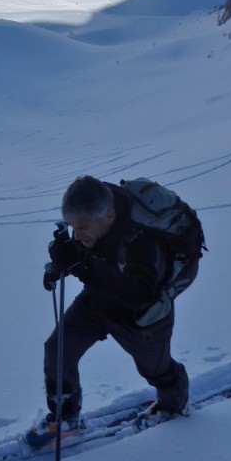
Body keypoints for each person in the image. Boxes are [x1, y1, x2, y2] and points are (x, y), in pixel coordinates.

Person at [36, 175, 194, 437]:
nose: (77, 234)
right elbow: (85, 251)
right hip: (100, 297)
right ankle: (65, 417)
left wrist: (81, 268)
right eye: (72, 227)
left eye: (82, 227)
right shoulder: (94, 222)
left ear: (109, 216)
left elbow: (138, 294)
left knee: (156, 369)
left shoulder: (144, 243)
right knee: (58, 349)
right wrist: (62, 263)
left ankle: (172, 406)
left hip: (142, 312)